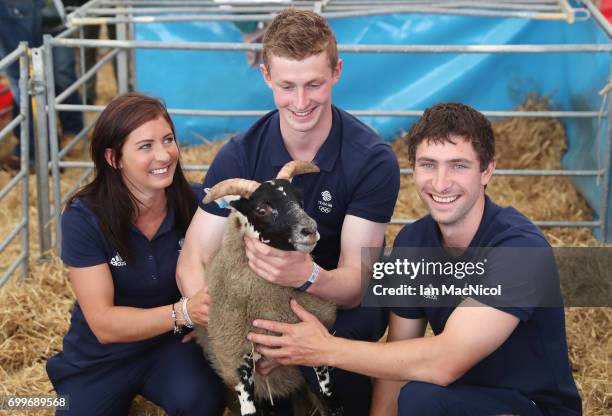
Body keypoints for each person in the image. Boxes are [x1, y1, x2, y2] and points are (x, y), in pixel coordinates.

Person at [247, 103, 582, 416]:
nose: (440, 183)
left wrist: (323, 349)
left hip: (530, 405)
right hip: (460, 395)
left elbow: (446, 361)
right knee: (408, 390)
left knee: (423, 399)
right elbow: (397, 365)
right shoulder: (413, 242)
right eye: (428, 165)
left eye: (458, 166)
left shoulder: (519, 250)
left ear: (486, 171)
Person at [177, 8, 400, 415]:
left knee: (343, 383)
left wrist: (307, 276)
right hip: (257, 311)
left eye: (314, 84)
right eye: (287, 86)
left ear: (337, 72)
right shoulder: (239, 156)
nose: (300, 102)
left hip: (333, 307)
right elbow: (192, 258)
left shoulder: (372, 160)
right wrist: (223, 323)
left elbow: (355, 285)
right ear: (266, 77)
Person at [46, 93, 225, 416]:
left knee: (201, 401)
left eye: (168, 139)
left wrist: (209, 327)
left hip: (171, 347)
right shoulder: (84, 216)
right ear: (114, 158)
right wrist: (185, 312)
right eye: (145, 146)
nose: (164, 155)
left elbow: (234, 273)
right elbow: (103, 323)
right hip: (103, 354)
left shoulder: (200, 204)